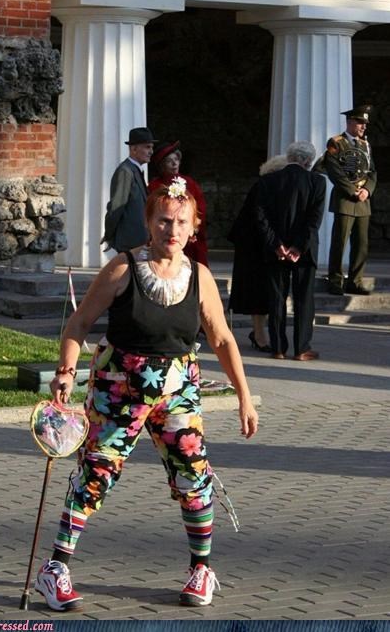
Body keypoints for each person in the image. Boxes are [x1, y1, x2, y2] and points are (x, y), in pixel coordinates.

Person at [35, 178, 259, 612]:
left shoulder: (200, 277)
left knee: (193, 476)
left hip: (178, 391)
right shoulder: (122, 269)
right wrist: (66, 371)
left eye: (181, 223)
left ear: (194, 227)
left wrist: (244, 398)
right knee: (96, 473)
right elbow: (79, 324)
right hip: (119, 388)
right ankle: (55, 569)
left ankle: (201, 569)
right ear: (148, 222)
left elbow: (222, 340)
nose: (172, 230)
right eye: (163, 221)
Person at [256, 141, 326, 361]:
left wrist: (277, 245)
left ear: (289, 158)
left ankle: (278, 347)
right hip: (304, 251)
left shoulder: (268, 181)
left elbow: (261, 217)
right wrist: (298, 247)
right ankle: (302, 348)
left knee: (277, 298)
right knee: (304, 299)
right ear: (308, 161)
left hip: (275, 251)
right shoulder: (317, 181)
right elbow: (314, 219)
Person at [227, 155, 287, 353]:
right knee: (257, 292)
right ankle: (259, 335)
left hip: (262, 246)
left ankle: (260, 333)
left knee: (263, 293)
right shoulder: (264, 187)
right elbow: (258, 217)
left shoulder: (268, 186)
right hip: (254, 248)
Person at [321, 105, 377, 296]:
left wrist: (367, 191)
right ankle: (335, 281)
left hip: (363, 202)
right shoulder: (336, 142)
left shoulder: (365, 145)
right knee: (340, 243)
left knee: (361, 245)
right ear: (350, 122)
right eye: (360, 122)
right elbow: (334, 170)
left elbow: (372, 171)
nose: (363, 126)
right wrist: (353, 191)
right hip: (345, 200)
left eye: (365, 123)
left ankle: (355, 281)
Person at [148, 140, 209, 267]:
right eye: (169, 161)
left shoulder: (189, 182)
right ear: (162, 165)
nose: (174, 163)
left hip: (188, 235)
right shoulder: (155, 185)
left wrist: (194, 228)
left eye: (176, 159)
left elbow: (200, 208)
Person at [101, 127, 158, 253]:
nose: (151, 151)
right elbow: (116, 207)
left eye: (152, 147)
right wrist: (109, 235)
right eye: (147, 147)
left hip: (138, 242)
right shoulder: (125, 171)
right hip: (130, 243)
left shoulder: (134, 170)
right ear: (133, 149)